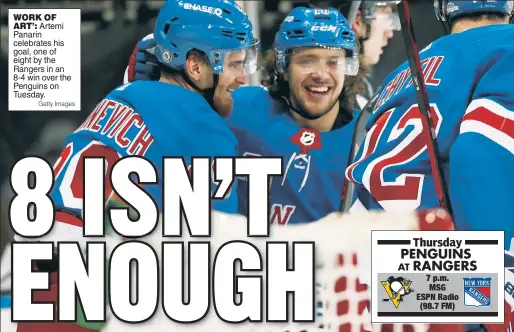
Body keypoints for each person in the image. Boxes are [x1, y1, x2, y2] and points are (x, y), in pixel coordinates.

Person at [12, 0, 260, 330]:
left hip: (36, 286)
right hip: (88, 302)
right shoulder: (204, 128)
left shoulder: (120, 95)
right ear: (197, 67)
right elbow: (222, 256)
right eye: (234, 64)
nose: (243, 77)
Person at [345, 1, 514, 329]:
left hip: (380, 282)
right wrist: (498, 294)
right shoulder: (507, 47)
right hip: (454, 283)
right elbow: (481, 156)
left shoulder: (405, 70)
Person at [126, 6, 366, 225]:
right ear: (282, 66)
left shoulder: (370, 142)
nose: (321, 74)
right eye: (307, 61)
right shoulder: (237, 107)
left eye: (333, 63)